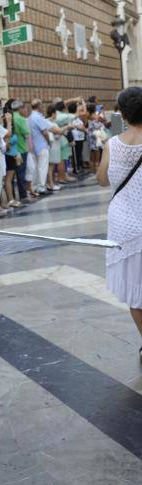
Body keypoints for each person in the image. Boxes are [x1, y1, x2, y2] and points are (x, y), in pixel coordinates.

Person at [97, 86, 142, 364]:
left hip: (124, 226)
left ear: (122, 114)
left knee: (136, 294)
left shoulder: (112, 144)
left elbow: (102, 180)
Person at [28, 99, 52, 196]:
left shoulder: (29, 117)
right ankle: (41, 186)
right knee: (42, 166)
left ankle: (34, 187)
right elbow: (45, 132)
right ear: (39, 106)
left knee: (35, 167)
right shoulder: (38, 117)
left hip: (33, 146)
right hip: (41, 145)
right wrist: (48, 141)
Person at [11, 100, 33, 203]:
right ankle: (23, 195)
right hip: (21, 148)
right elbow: (26, 132)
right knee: (21, 173)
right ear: (20, 108)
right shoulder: (20, 118)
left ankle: (13, 196)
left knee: (12, 175)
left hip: (12, 149)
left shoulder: (11, 117)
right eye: (24, 108)